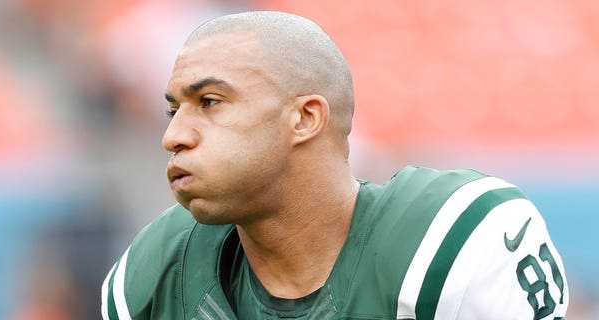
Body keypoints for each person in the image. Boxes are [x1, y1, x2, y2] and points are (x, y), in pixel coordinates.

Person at [101, 11, 568, 320]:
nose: (174, 135)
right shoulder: (158, 274)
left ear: (305, 118)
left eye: (210, 101)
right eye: (173, 110)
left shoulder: (451, 244)